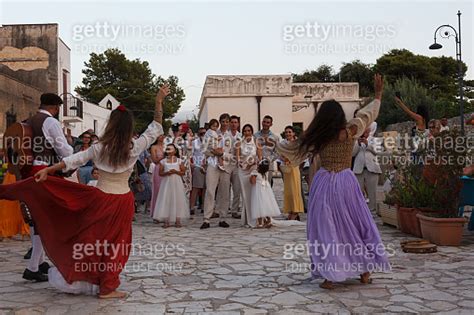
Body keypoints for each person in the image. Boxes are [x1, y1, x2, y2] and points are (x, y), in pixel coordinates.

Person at [0, 85, 169, 298]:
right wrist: (158, 101)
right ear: (128, 127)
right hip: (123, 201)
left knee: (94, 242)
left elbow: (72, 159)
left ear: (111, 125)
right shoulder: (135, 146)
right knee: (117, 245)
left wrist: (48, 171)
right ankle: (107, 286)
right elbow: (155, 127)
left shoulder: (99, 148)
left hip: (101, 199)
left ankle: (94, 280)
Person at [277, 74, 390, 289]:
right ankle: (365, 271)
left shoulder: (318, 136)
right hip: (347, 181)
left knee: (327, 228)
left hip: (326, 183)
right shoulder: (351, 130)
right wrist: (378, 95)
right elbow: (369, 114)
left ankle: (330, 275)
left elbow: (289, 149)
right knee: (355, 224)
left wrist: (272, 143)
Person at [21, 93, 74, 282]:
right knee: (45, 219)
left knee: (38, 217)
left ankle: (40, 262)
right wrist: (72, 151)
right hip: (45, 171)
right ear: (56, 107)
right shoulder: (50, 122)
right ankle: (33, 267)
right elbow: (64, 151)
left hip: (29, 171)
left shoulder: (29, 120)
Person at [200, 114, 232, 229]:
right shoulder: (212, 133)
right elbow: (205, 149)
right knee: (210, 190)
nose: (224, 123)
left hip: (226, 166)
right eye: (222, 121)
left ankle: (223, 217)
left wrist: (222, 155)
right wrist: (214, 153)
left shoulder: (231, 137)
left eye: (227, 121)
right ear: (219, 122)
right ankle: (206, 218)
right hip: (213, 164)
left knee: (224, 192)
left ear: (229, 123)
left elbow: (233, 154)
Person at [153, 144, 189, 228]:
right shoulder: (163, 161)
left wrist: (176, 172)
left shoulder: (179, 161)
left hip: (177, 182)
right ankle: (166, 220)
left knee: (178, 199)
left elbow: (183, 172)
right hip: (167, 182)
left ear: (175, 151)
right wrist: (167, 173)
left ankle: (178, 220)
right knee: (166, 199)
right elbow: (160, 173)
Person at [236, 124, 262, 227]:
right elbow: (237, 158)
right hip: (242, 170)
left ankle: (255, 219)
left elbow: (260, 157)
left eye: (249, 131)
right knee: (245, 195)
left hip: (253, 169)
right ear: (243, 132)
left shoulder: (256, 142)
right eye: (245, 131)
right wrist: (242, 164)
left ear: (252, 131)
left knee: (254, 194)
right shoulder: (239, 143)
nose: (247, 133)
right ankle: (247, 219)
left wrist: (252, 164)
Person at [352, 127, 382, 212]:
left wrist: (367, 144)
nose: (364, 131)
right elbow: (352, 154)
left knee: (372, 191)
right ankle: (359, 209)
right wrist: (357, 143)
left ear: (369, 131)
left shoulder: (374, 140)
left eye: (366, 130)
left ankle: (373, 209)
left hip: (372, 168)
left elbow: (378, 152)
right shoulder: (355, 140)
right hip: (358, 169)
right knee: (358, 191)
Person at [280, 126, 304, 221]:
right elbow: (280, 154)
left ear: (293, 133)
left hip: (294, 167)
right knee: (288, 191)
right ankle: (290, 210)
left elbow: (301, 155)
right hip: (286, 168)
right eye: (286, 132)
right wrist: (284, 158)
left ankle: (296, 211)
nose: (288, 134)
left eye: (290, 132)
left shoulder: (297, 144)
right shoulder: (283, 143)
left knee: (295, 190)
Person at [250, 159, 280, 228]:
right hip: (266, 191)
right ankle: (268, 220)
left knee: (259, 206)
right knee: (266, 205)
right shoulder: (265, 174)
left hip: (258, 191)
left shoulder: (255, 173)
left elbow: (253, 182)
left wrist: (251, 177)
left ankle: (260, 223)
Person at [254, 115, 280, 187]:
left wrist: (269, 159)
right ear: (262, 122)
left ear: (271, 124)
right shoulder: (255, 136)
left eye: (268, 122)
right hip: (257, 163)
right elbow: (253, 149)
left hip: (269, 164)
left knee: (267, 185)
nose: (265, 124)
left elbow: (277, 152)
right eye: (264, 122)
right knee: (258, 185)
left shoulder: (275, 137)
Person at [190, 128, 207, 215]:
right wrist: (192, 164)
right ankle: (192, 207)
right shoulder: (194, 143)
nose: (203, 135)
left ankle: (204, 207)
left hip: (207, 166)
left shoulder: (209, 142)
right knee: (195, 187)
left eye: (204, 133)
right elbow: (190, 154)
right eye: (201, 133)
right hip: (197, 166)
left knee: (205, 188)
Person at [150, 136, 165, 220]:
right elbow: (154, 160)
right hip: (158, 168)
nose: (162, 137)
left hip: (166, 168)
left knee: (165, 190)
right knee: (158, 190)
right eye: (160, 135)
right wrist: (164, 156)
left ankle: (164, 213)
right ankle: (156, 213)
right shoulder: (153, 147)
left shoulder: (166, 146)